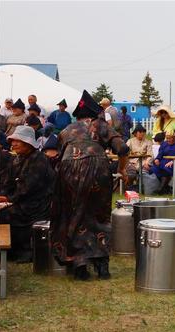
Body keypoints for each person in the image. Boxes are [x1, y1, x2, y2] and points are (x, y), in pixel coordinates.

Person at [51, 90, 130, 281]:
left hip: (70, 169)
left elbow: (57, 156)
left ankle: (80, 266)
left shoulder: (67, 130)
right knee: (99, 215)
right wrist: (123, 169)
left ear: (77, 115)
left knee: (74, 214)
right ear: (95, 113)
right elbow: (123, 148)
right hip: (99, 169)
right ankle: (102, 266)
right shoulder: (100, 125)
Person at [0, 126, 54, 263]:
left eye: (18, 141)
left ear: (28, 143)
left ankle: (22, 251)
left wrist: (7, 199)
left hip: (37, 204)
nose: (13, 144)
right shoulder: (17, 159)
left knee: (4, 213)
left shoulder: (39, 159)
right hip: (22, 200)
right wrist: (1, 195)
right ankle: (9, 249)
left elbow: (28, 187)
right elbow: (7, 181)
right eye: (12, 141)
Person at [150, 130, 175, 194]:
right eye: (167, 138)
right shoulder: (164, 144)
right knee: (154, 168)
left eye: (170, 138)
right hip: (164, 161)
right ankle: (166, 188)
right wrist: (157, 159)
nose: (168, 140)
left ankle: (161, 189)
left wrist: (173, 161)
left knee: (166, 168)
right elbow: (160, 153)